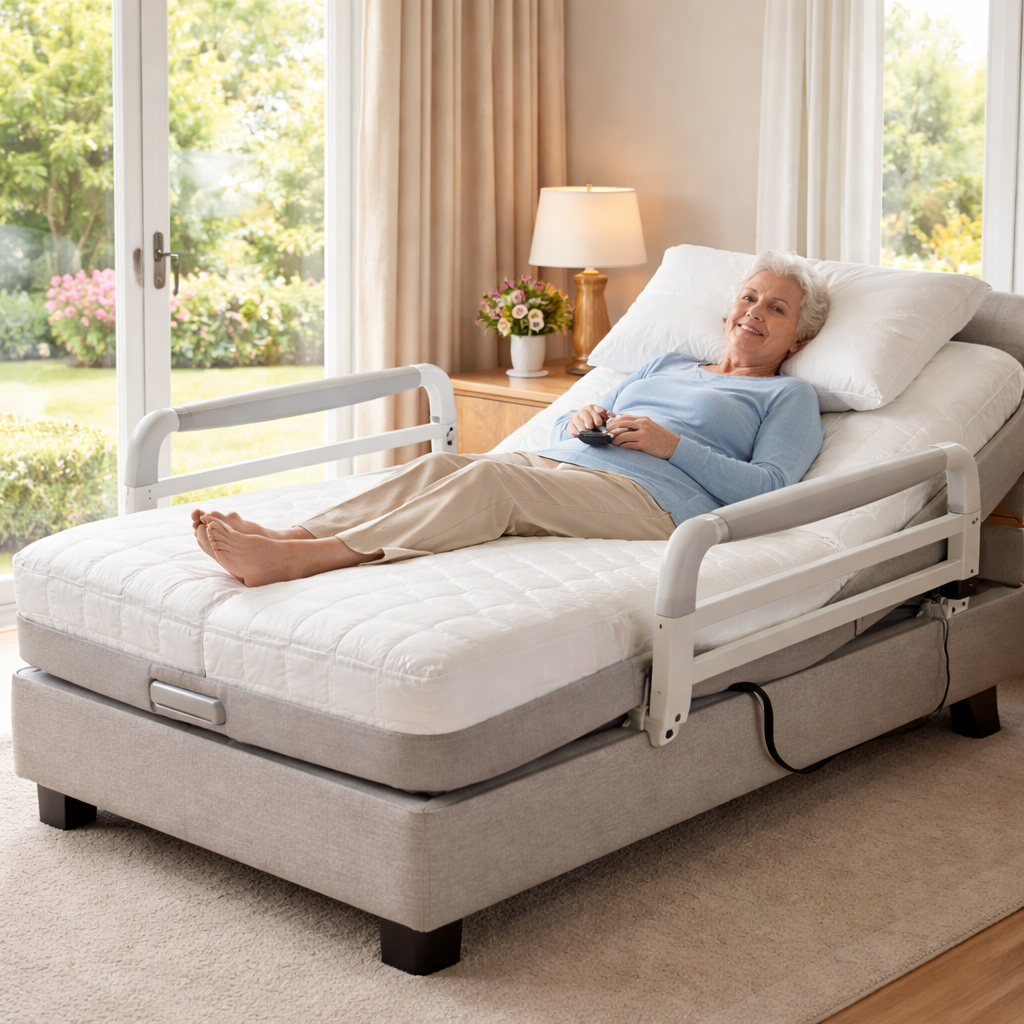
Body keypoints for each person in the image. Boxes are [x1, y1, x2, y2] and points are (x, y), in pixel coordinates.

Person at [194, 251, 829, 587]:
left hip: (655, 502)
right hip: (568, 463)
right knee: (442, 464)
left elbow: (773, 490)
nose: (754, 311)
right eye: (749, 297)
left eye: (776, 308)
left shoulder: (787, 397)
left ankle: (308, 560)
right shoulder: (668, 362)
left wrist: (672, 447)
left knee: (492, 481)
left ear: (797, 338)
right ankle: (289, 536)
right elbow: (561, 428)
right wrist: (577, 419)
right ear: (728, 310)